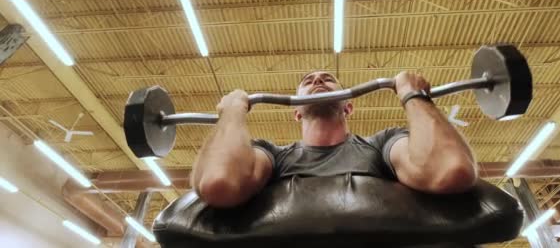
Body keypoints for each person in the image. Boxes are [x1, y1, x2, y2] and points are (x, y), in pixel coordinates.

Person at [191, 71, 478, 208]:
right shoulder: (273, 156)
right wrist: (233, 110)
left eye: (327, 79)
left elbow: (450, 170)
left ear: (348, 105)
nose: (317, 81)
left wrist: (411, 94)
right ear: (296, 112)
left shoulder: (382, 146)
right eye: (308, 81)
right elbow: (220, 183)